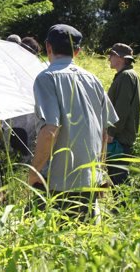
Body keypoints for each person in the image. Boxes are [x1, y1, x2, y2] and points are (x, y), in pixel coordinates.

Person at [28, 24, 118, 218]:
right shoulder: (93, 80)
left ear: (48, 47)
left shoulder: (46, 78)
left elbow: (50, 130)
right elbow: (103, 133)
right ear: (78, 51)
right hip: (89, 181)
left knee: (47, 243)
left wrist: (33, 173)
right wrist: (100, 172)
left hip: (56, 185)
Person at [106, 43, 140, 185]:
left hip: (119, 139)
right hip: (121, 137)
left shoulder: (126, 76)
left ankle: (126, 207)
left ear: (120, 58)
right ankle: (121, 206)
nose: (109, 59)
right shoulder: (127, 75)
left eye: (112, 55)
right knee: (117, 180)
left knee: (119, 182)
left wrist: (111, 133)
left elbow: (121, 108)